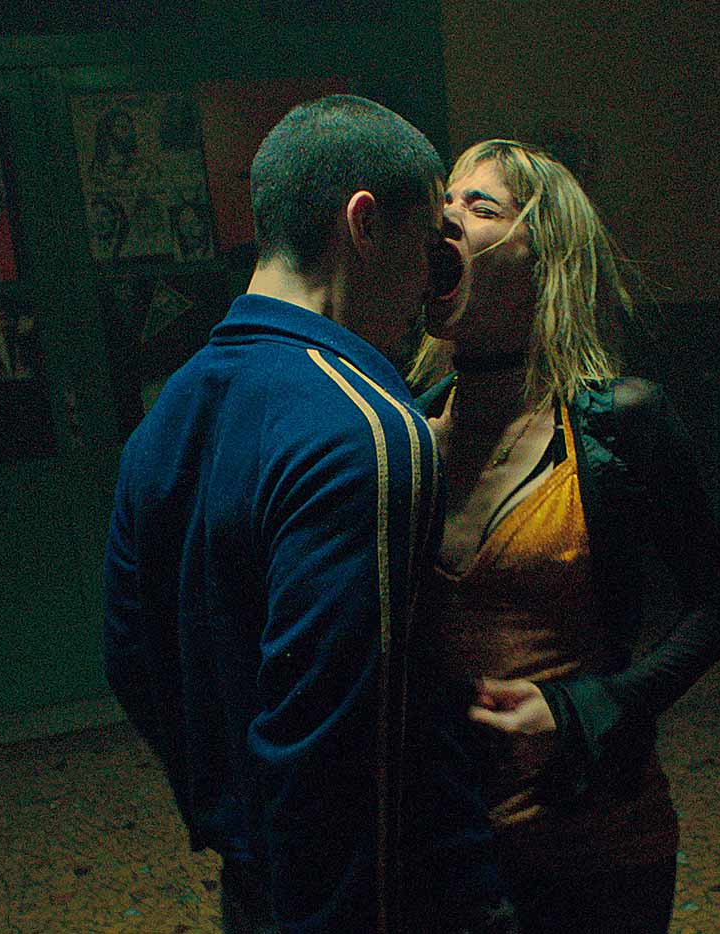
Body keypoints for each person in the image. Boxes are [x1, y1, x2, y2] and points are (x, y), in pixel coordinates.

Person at [103, 96, 517, 934]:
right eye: (425, 242)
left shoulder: (169, 412)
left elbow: (131, 658)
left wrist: (232, 815)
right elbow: (345, 749)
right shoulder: (369, 428)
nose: (430, 280)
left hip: (257, 878)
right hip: (376, 901)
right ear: (362, 225)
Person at [409, 140, 720, 933]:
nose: (448, 217)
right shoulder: (405, 428)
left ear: (545, 261)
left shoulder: (622, 421)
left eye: (480, 206)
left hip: (597, 845)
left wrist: (584, 708)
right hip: (449, 850)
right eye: (444, 201)